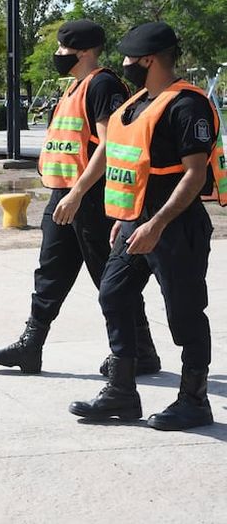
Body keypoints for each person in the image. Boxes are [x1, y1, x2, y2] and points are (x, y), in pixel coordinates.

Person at [69, 22, 227, 430]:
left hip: (176, 226)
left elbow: (193, 175)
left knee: (185, 313)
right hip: (134, 224)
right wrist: (125, 217)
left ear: (149, 60)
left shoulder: (186, 106)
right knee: (113, 294)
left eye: (128, 60)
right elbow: (122, 159)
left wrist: (156, 224)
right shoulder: (136, 103)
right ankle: (122, 391)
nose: (123, 66)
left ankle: (194, 400)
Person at [0, 19, 159, 375]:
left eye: (63, 49)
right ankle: (31, 346)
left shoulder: (103, 84)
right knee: (50, 272)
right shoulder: (73, 87)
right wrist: (67, 193)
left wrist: (77, 194)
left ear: (83, 52)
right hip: (64, 195)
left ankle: (140, 351)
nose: (58, 54)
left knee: (110, 279)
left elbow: (110, 145)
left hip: (90, 198)